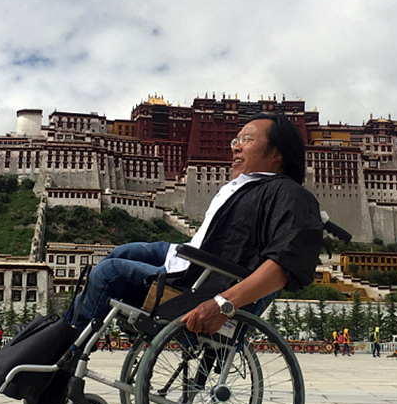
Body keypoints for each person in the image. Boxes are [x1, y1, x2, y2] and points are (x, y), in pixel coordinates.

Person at [62, 113, 323, 336]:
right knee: (123, 253)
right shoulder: (247, 187)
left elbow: (283, 267)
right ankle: (58, 333)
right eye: (236, 140)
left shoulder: (289, 194)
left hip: (199, 286)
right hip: (192, 262)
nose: (235, 147)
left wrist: (223, 304)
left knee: (110, 273)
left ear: (277, 152)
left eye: (247, 140)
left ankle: (62, 357)